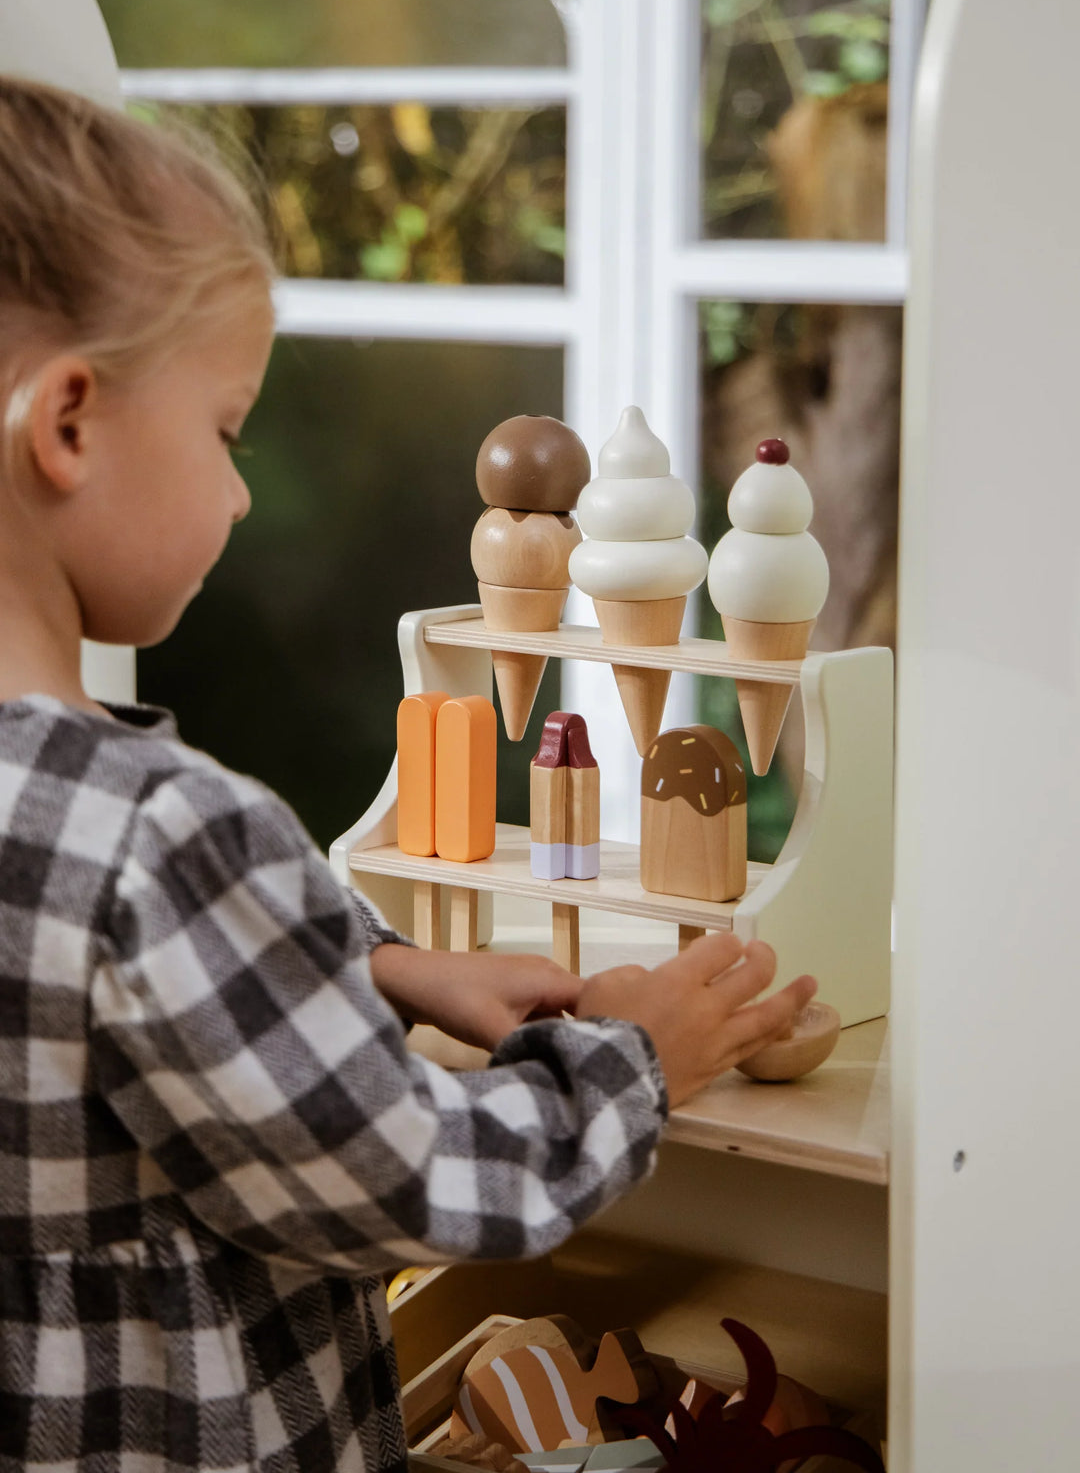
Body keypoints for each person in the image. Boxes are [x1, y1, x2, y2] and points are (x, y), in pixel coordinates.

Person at [0, 76, 816, 1473]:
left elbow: (80, 989)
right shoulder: (164, 841)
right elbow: (423, 1182)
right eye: (225, 428)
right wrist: (635, 1058)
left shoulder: (79, 831)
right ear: (69, 421)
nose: (244, 490)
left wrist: (379, 969)